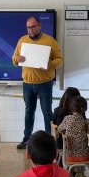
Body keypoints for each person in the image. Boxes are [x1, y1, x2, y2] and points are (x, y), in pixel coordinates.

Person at [12, 16, 63, 150]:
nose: (31, 30)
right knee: (29, 111)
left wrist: (50, 64)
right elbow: (14, 59)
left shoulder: (50, 41)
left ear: (39, 26)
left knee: (47, 112)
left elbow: (60, 59)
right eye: (29, 27)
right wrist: (18, 58)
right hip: (27, 83)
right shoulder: (22, 41)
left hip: (45, 83)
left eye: (33, 26)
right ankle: (27, 139)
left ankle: (49, 141)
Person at [58, 96, 89, 177]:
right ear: (85, 109)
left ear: (71, 108)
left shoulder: (67, 119)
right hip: (84, 155)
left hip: (69, 155)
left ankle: (77, 174)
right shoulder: (86, 122)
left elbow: (59, 128)